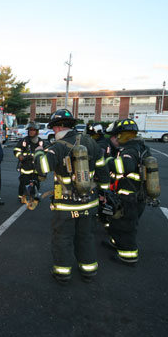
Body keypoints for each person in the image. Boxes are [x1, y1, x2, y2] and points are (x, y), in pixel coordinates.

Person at [35, 110, 110, 284]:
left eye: (54, 127)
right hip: (89, 201)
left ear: (58, 126)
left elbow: (42, 168)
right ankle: (88, 271)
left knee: (63, 237)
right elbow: (103, 171)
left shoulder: (57, 147)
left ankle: (63, 273)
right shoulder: (91, 143)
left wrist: (39, 152)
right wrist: (104, 193)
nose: (54, 131)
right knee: (87, 237)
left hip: (66, 205)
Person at [105, 118, 151, 265]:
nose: (111, 139)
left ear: (120, 135)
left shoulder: (130, 150)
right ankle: (117, 243)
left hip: (130, 197)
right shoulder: (140, 147)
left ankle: (128, 255)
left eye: (113, 136)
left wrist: (108, 162)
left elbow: (127, 166)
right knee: (119, 223)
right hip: (134, 196)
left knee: (126, 227)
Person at [14, 122, 46, 203]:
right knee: (23, 182)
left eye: (33, 130)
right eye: (30, 130)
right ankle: (21, 197)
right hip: (26, 166)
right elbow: (16, 150)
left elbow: (45, 152)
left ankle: (34, 196)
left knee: (36, 182)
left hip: (36, 167)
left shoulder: (40, 142)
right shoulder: (24, 141)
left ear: (37, 131)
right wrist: (20, 156)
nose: (31, 132)